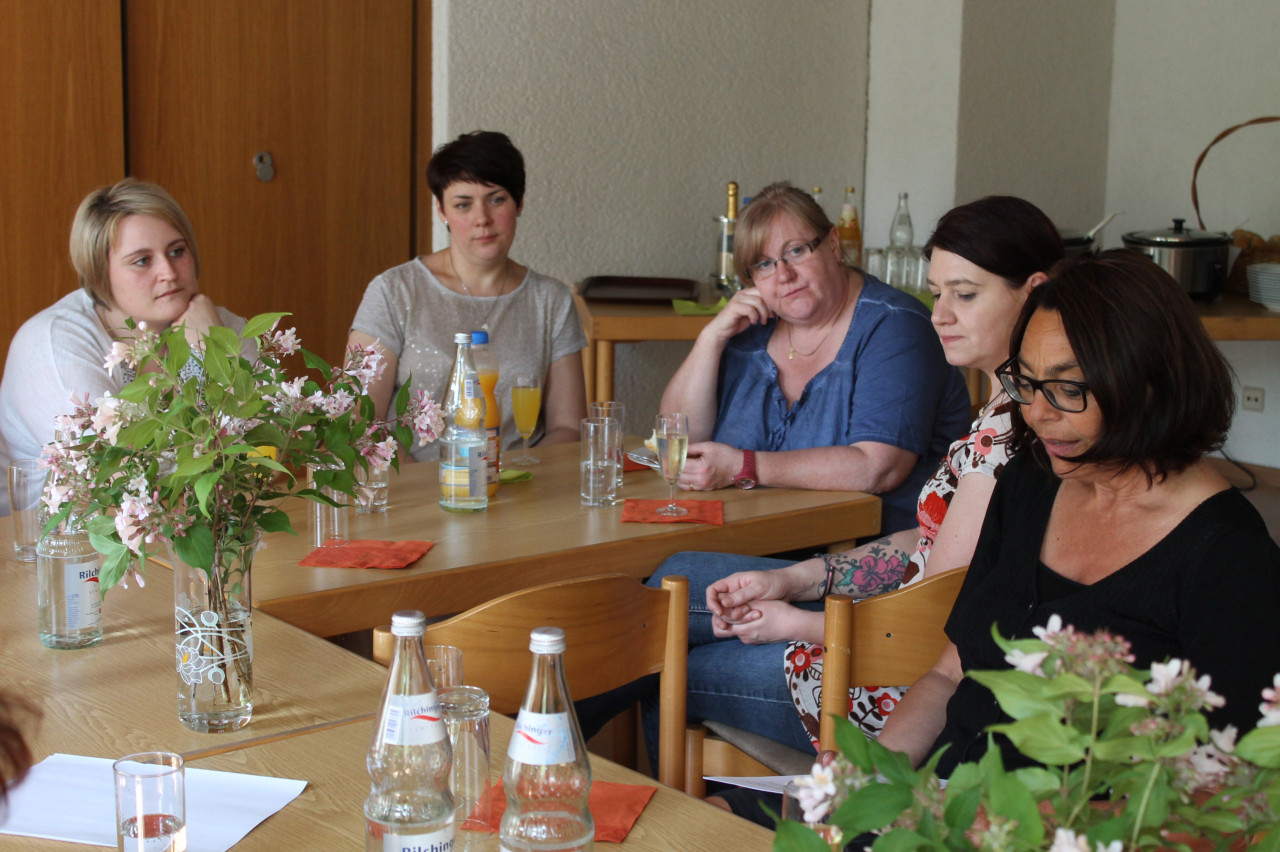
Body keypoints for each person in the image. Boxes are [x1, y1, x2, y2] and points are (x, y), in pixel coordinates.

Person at [638, 197, 1064, 767]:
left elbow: (928, 619)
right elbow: (926, 542)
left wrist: (797, 621)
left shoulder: (1021, 430)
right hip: (878, 622)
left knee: (657, 663)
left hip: (894, 679)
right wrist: (797, 579)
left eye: (964, 294)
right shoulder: (1001, 407)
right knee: (670, 581)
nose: (939, 314)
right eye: (938, 294)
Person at [878, 249, 1280, 778]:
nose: (1039, 414)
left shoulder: (1228, 559)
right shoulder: (1029, 482)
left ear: (1151, 384)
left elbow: (1226, 780)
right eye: (1025, 382)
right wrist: (869, 786)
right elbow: (949, 677)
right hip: (936, 805)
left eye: (1069, 389)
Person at [661, 182, 969, 536]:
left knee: (667, 577)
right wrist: (710, 339)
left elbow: (878, 469)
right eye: (763, 264)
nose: (783, 275)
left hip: (858, 557)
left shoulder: (895, 327)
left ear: (834, 244)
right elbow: (677, 440)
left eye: (796, 251)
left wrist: (742, 465)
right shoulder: (750, 329)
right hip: (752, 540)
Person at [0, 178, 246, 514]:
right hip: (53, 548)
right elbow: (122, 486)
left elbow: (264, 456)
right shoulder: (55, 343)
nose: (169, 272)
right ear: (100, 274)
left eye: (177, 251)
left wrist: (217, 349)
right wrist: (187, 363)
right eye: (142, 260)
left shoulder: (221, 326)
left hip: (196, 533)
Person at [348, 130, 587, 461]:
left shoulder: (552, 300)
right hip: (414, 490)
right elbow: (360, 420)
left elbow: (569, 428)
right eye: (463, 204)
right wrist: (426, 485)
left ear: (519, 203)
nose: (482, 219)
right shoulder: (394, 291)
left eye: (496, 199)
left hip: (518, 491)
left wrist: (504, 476)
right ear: (441, 211)